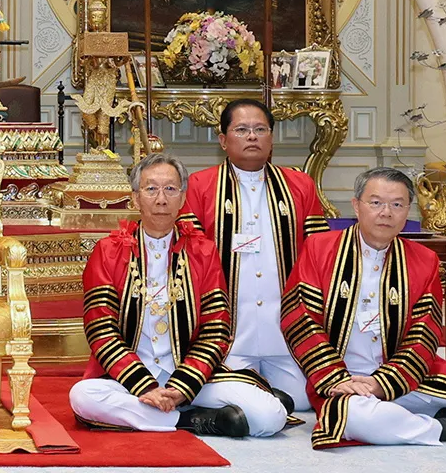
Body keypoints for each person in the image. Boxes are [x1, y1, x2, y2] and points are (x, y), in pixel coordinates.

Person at [70, 153, 288, 438]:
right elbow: (101, 330)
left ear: (182, 198)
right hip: (128, 379)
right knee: (83, 395)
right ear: (135, 199)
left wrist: (182, 388)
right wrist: (144, 385)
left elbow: (216, 329)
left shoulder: (203, 251)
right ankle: (192, 422)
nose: (161, 199)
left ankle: (168, 412)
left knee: (270, 417)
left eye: (170, 189)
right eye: (151, 189)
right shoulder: (109, 251)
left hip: (191, 380)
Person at [281, 167, 446, 448]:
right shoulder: (319, 248)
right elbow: (299, 319)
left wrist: (382, 384)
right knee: (356, 418)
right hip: (341, 379)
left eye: (397, 205)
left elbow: (425, 334)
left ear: (408, 210)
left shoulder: (424, 259)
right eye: (376, 203)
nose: (386, 212)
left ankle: (414, 414)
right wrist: (334, 377)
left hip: (404, 376)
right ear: (356, 206)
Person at [179, 99, 329, 411]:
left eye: (260, 129)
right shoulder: (201, 185)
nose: (252, 137)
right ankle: (248, 393)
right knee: (222, 386)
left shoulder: (299, 184)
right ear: (223, 140)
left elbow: (320, 256)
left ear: (271, 139)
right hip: (229, 331)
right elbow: (190, 259)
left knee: (302, 400)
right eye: (242, 130)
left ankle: (251, 395)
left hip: (283, 331)